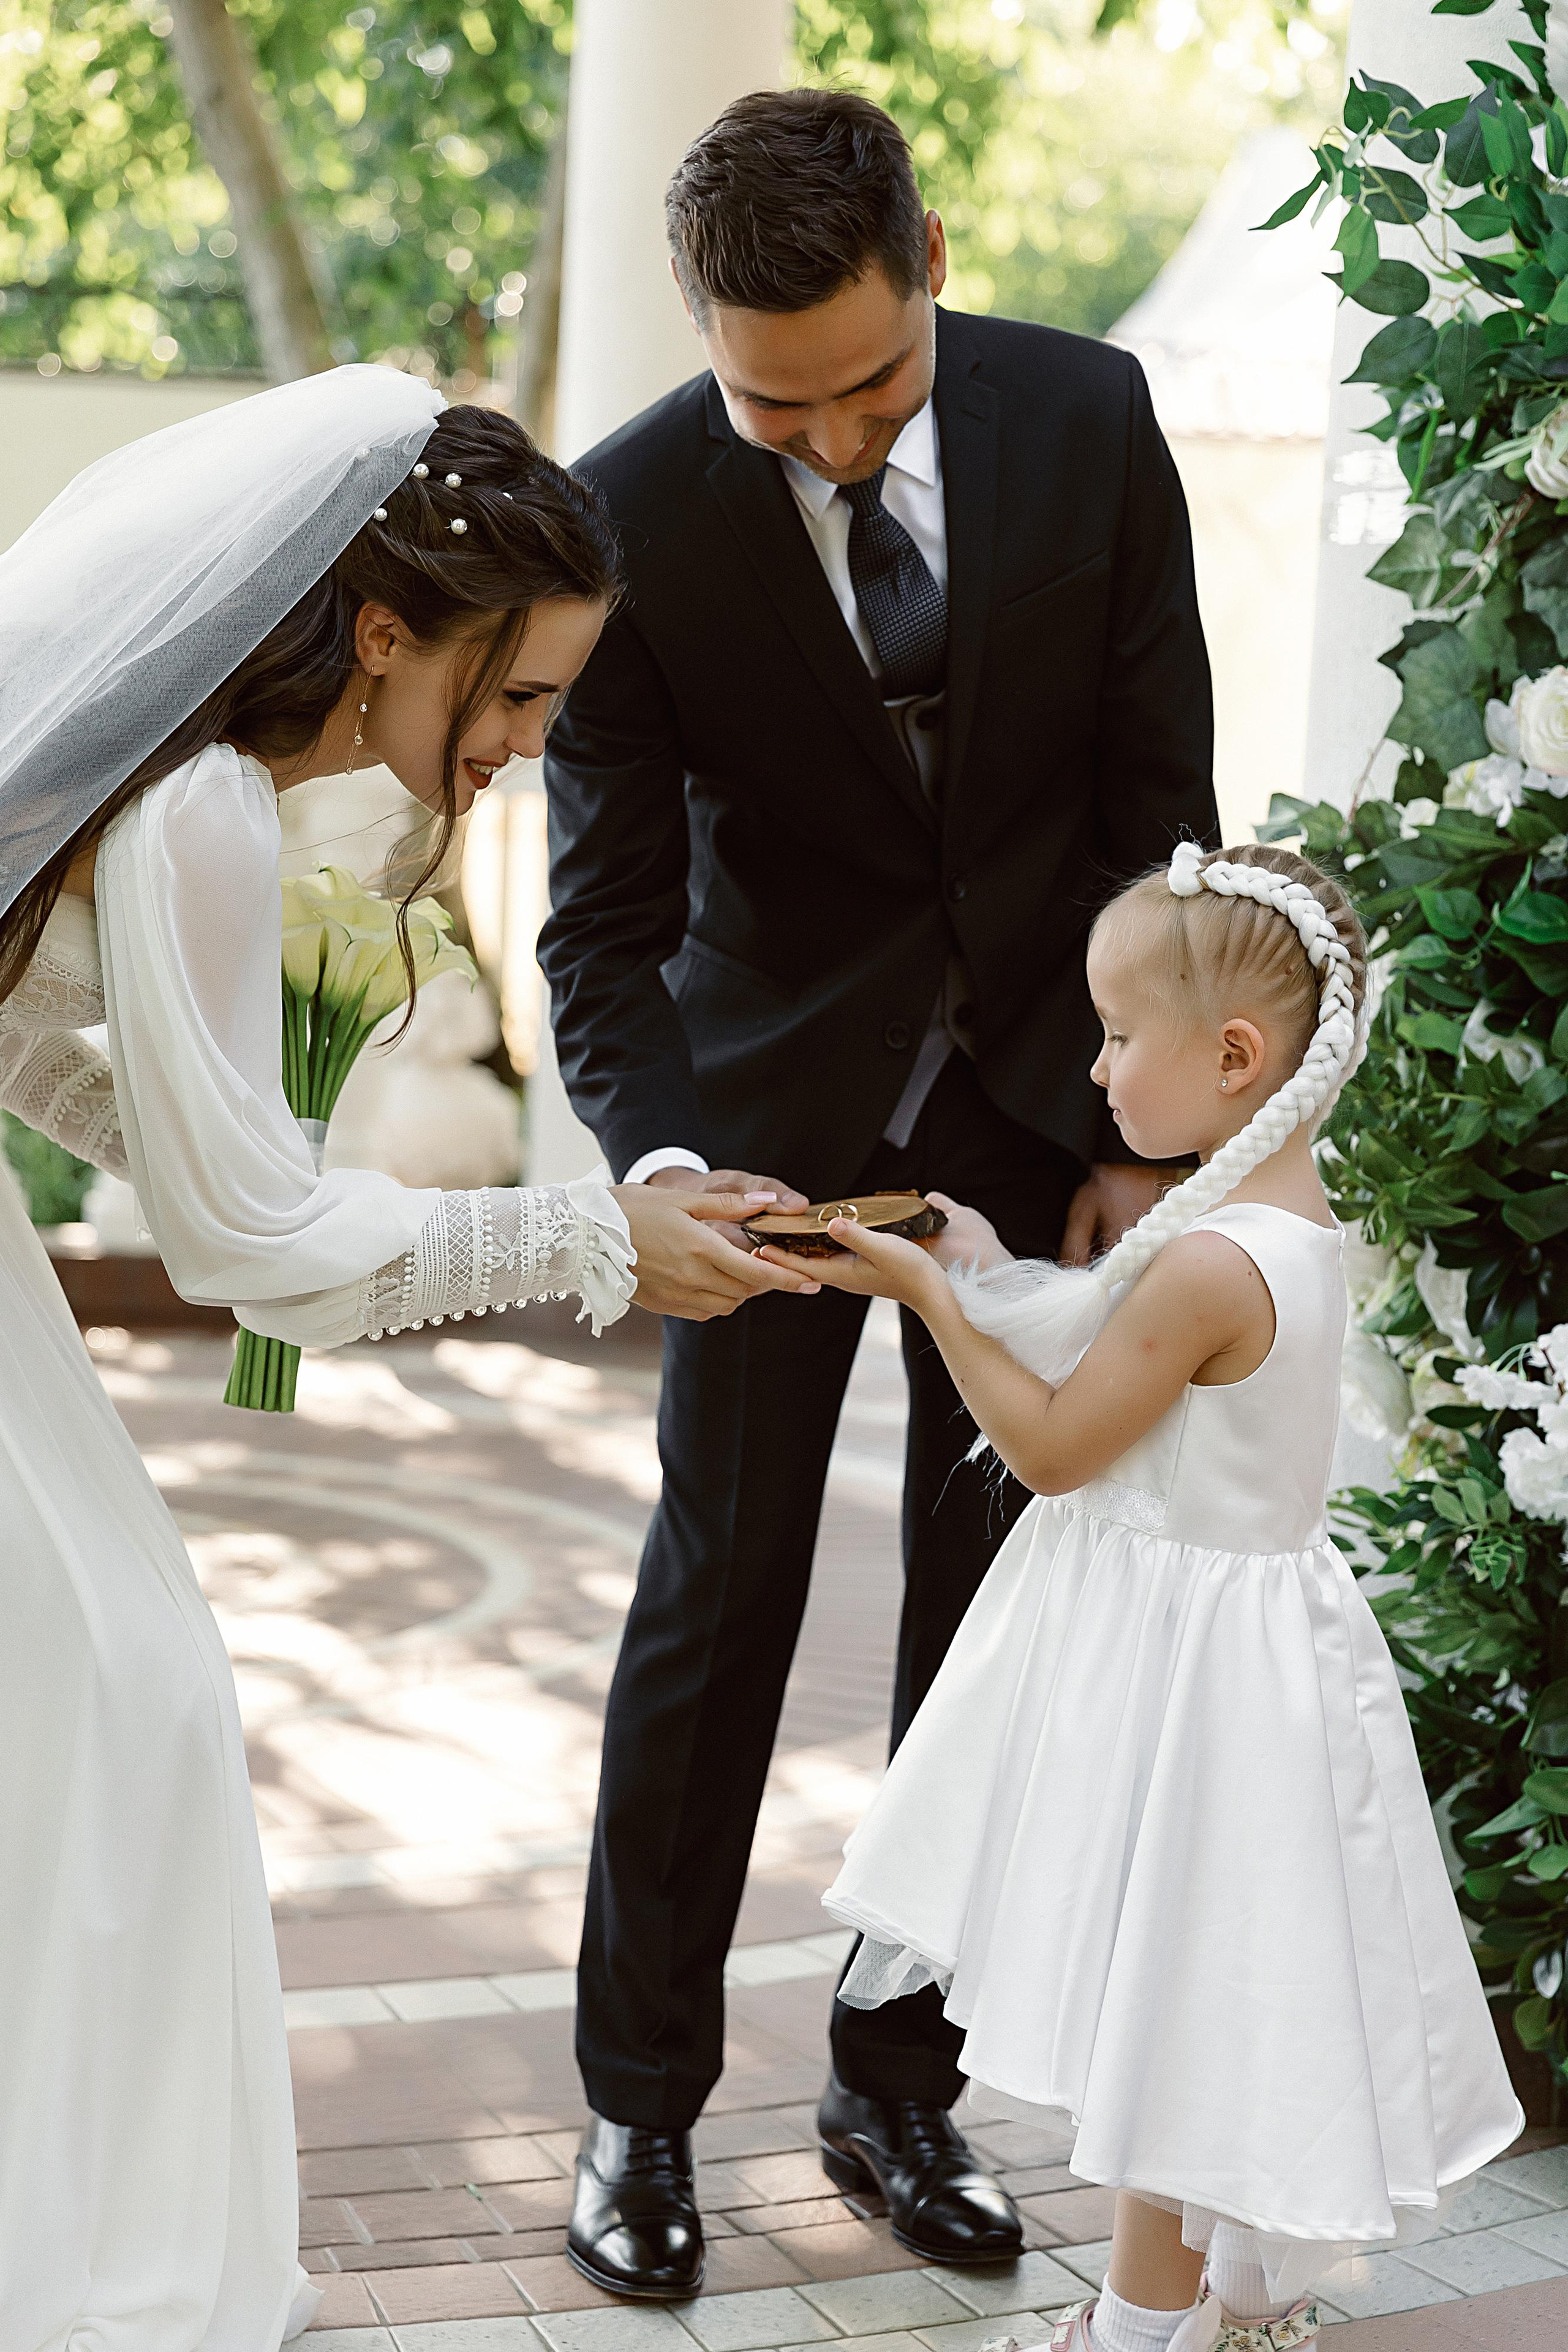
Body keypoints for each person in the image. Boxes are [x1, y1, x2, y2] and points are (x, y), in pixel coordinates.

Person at [0, 368, 818, 2352]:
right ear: (383, 634)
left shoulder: (163, 766)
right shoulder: (197, 800)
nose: (528, 751)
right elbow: (259, 1262)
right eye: (518, 697)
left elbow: (25, 1044)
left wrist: (232, 1133)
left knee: (100, 1720)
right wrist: (592, 1242)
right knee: (128, 1724)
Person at [540, 87, 1216, 2294]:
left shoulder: (1092, 420)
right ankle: (638, 2116)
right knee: (715, 1605)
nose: (827, 446)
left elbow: (1158, 797)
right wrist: (653, 1167)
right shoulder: (630, 515)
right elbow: (603, 921)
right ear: (702, 344)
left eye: (867, 391)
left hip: (1033, 1126)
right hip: (761, 1148)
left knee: (985, 1625)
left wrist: (1137, 1141)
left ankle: (894, 2079)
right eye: (770, 408)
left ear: (929, 261)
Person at [781, 842, 1523, 2352]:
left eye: (1120, 1035)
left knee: (1167, 2006)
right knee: (1183, 1994)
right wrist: (982, 1263)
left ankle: (1139, 2330)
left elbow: (1055, 1449)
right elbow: (1094, 1340)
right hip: (1224, 1658)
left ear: (1234, 1057)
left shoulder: (1205, 1264)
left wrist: (928, 1301)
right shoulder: (1263, 1233)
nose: (1098, 1068)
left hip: (1188, 1684)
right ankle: (1211, 2304)